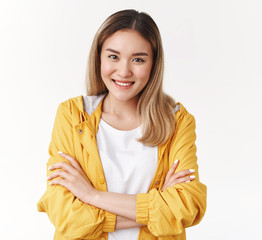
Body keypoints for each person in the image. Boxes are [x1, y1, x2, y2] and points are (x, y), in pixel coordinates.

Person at [37, 9, 207, 240]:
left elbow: (187, 206)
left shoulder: (177, 121)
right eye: (113, 56)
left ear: (154, 63)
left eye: (138, 59)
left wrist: (92, 196)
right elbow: (64, 214)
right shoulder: (72, 115)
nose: (124, 71)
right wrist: (158, 207)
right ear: (99, 57)